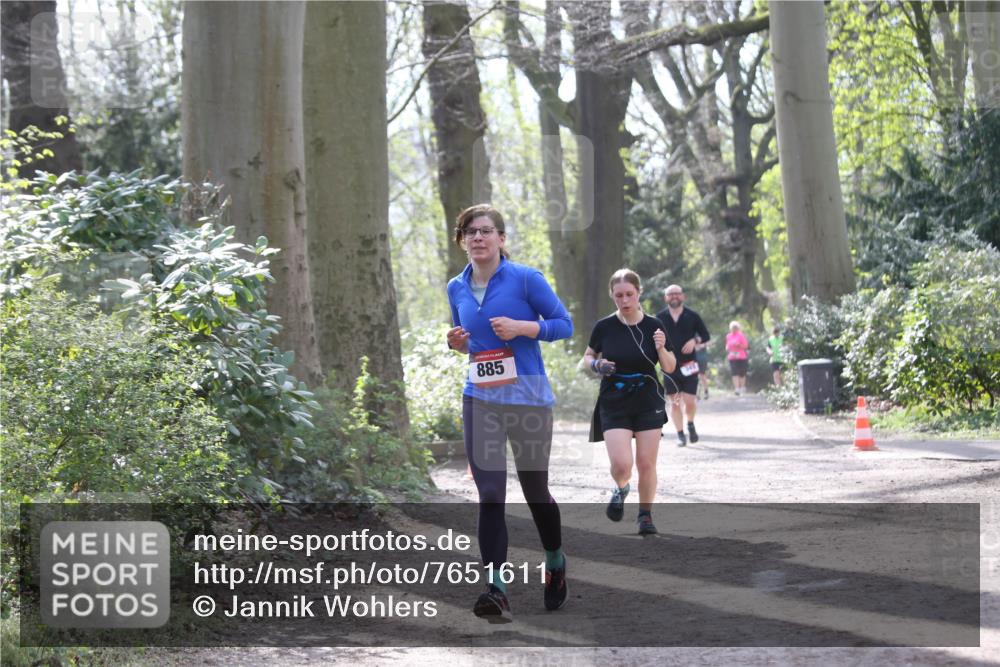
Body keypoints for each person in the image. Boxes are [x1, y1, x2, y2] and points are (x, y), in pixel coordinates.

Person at [445, 204, 571, 623]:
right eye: (470, 232)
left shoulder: (525, 279)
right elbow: (468, 339)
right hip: (480, 397)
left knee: (536, 492)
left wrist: (524, 328)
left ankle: (554, 560)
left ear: (501, 238)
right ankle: (496, 589)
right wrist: (457, 342)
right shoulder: (456, 287)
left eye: (486, 231)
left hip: (529, 398)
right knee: (491, 494)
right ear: (462, 240)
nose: (478, 238)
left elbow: (564, 324)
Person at [583, 269, 677, 536]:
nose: (624, 301)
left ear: (639, 293)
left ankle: (645, 516)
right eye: (618, 296)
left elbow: (669, 367)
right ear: (612, 296)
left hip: (648, 399)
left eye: (629, 295)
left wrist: (660, 347)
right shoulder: (604, 326)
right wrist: (596, 364)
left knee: (646, 463)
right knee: (622, 465)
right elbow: (587, 357)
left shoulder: (654, 325)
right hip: (614, 400)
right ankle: (621, 487)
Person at [655, 285, 711, 447]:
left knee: (690, 401)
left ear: (683, 296)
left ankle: (691, 424)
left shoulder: (692, 316)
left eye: (677, 294)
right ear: (666, 298)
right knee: (675, 403)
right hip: (669, 366)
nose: (674, 297)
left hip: (689, 365)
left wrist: (695, 341)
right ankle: (680, 435)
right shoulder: (659, 318)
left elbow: (705, 335)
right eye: (670, 294)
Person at [726, 321, 750, 395]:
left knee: (742, 373)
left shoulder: (741, 335)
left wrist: (739, 345)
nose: (734, 329)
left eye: (735, 328)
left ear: (738, 328)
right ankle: (737, 389)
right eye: (733, 328)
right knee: (734, 372)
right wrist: (727, 348)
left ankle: (742, 387)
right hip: (732, 357)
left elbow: (746, 346)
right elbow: (727, 345)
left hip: (741, 356)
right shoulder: (728, 336)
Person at [695, 335, 710, 400]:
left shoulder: (701, 331)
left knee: (702, 375)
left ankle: (706, 391)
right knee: (694, 376)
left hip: (702, 358)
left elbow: (708, 342)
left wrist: (702, 345)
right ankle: (697, 394)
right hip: (692, 359)